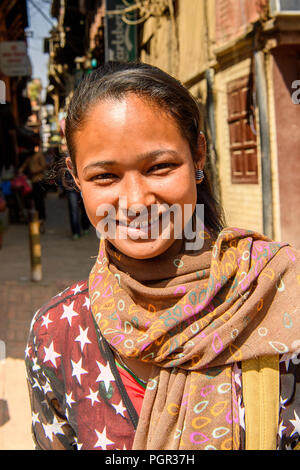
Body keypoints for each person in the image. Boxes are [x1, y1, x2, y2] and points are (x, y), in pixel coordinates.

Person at [25, 61, 300, 451]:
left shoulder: (277, 292)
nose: (136, 201)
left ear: (198, 155)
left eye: (160, 167)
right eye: (105, 176)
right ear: (75, 176)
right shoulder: (59, 333)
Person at [19, 135, 47, 232]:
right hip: (33, 181)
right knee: (35, 201)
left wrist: (34, 172)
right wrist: (20, 172)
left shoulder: (39, 155)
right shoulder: (30, 157)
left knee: (40, 201)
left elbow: (44, 166)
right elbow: (24, 166)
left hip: (39, 180)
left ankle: (42, 219)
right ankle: (38, 218)